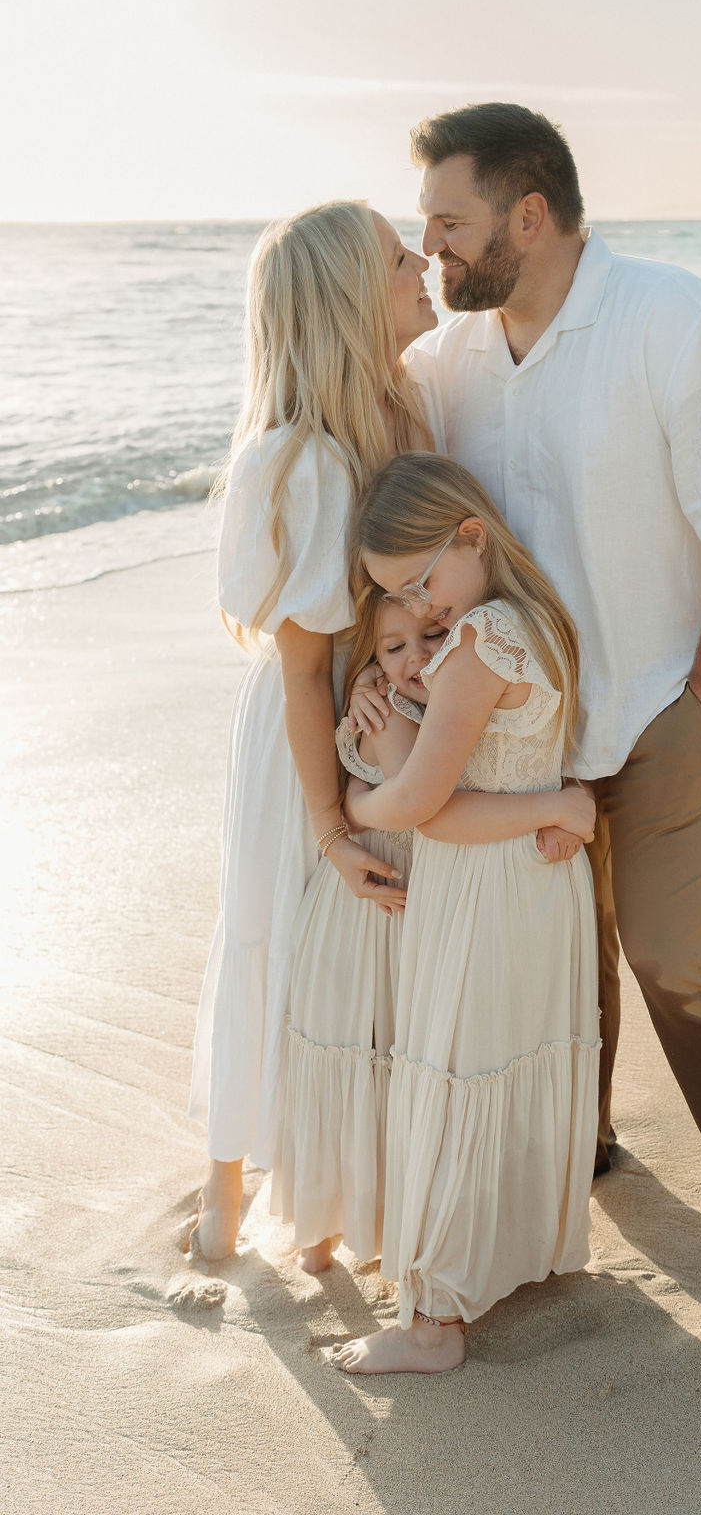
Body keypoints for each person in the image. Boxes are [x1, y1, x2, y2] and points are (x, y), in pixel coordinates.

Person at [405, 102, 701, 1351]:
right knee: (564, 964)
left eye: (449, 219)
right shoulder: (452, 360)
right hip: (524, 735)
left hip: (662, 709)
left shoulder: (678, 323)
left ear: (527, 217)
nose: (428, 242)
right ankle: (578, 1158)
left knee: (672, 961)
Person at [185, 200, 441, 1260]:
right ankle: (226, 1181)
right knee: (271, 934)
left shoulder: (406, 414)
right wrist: (330, 824)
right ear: (346, 299)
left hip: (372, 722)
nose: (421, 260)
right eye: (394, 259)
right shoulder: (299, 462)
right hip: (304, 741)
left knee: (353, 959)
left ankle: (329, 1184)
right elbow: (300, 669)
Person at [331, 452, 600, 1375]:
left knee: (453, 1071)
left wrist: (346, 818)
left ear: (471, 536)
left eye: (420, 580)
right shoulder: (534, 619)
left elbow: (418, 803)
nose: (421, 606)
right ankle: (518, 1258)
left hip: (485, 886)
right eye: (399, 595)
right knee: (510, 1059)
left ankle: (434, 1324)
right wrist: (558, 804)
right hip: (534, 886)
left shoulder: (481, 641)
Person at [273, 594, 595, 1274]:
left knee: (398, 1063)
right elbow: (432, 808)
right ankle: (328, 1228)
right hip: (375, 906)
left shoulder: (446, 702)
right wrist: (556, 806)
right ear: (371, 660)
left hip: (416, 903)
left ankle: (389, 1222)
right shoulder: (385, 714)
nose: (417, 656)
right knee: (360, 1050)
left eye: (432, 634)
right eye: (393, 648)